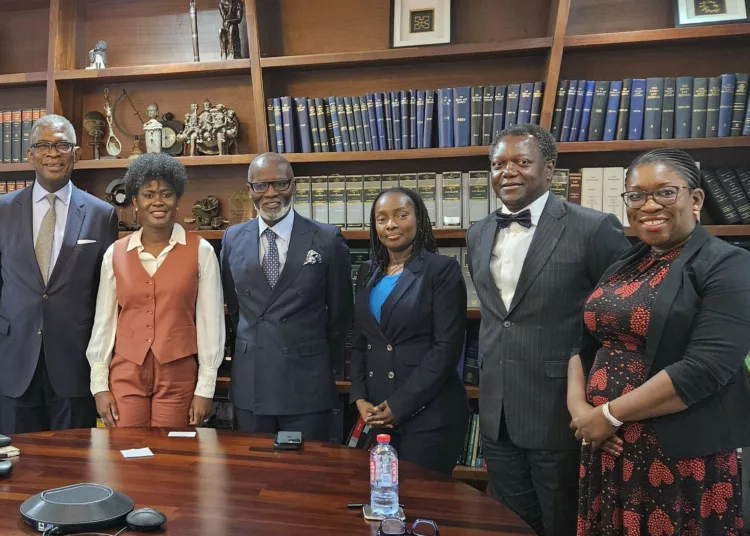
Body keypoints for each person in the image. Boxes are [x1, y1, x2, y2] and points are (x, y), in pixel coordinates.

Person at [569, 148, 750, 535]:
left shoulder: (728, 264)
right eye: (636, 196)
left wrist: (609, 415)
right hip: (607, 444)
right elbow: (583, 343)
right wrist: (581, 412)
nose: (649, 205)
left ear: (695, 199)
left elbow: (704, 369)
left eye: (665, 193)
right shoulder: (625, 263)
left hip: (676, 454)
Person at [465, 124, 630, 536]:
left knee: (561, 521)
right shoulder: (478, 231)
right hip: (497, 408)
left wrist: (605, 401)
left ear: (550, 168)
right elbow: (498, 317)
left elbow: (619, 318)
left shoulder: (593, 228)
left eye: (522, 161)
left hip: (560, 408)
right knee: (508, 522)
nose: (509, 172)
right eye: (499, 163)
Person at [86, 152, 225, 428]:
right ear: (135, 202)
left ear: (177, 199)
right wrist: (99, 385)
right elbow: (104, 322)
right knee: (125, 456)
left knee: (174, 459)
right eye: (148, 194)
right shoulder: (115, 253)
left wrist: (205, 388)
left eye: (166, 193)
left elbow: (212, 323)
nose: (158, 201)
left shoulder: (202, 252)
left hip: (178, 374)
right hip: (126, 373)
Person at [221, 152, 352, 441]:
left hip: (306, 380)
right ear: (249, 190)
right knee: (254, 473)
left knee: (305, 477)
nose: (271, 193)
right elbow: (235, 309)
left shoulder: (327, 238)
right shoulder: (231, 239)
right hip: (252, 380)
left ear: (294, 186)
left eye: (280, 184)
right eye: (261, 186)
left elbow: (341, 314)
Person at [0, 114, 118, 434]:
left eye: (63, 145)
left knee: (71, 466)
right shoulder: (3, 209)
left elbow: (104, 294)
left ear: (76, 153)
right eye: (43, 145)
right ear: (30, 154)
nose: (53, 153)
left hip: (73, 362)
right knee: (15, 469)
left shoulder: (101, 214)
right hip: (12, 361)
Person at [349, 187, 469, 475]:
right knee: (383, 499)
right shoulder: (368, 271)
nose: (391, 224)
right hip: (378, 412)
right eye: (381, 218)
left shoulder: (442, 270)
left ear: (419, 219)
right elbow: (361, 339)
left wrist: (400, 405)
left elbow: (446, 348)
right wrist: (359, 396)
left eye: (401, 215)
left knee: (422, 507)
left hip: (428, 415)